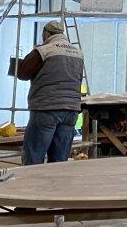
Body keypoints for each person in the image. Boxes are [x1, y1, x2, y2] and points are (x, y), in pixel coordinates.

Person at [16, 20, 85, 164]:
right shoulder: (78, 53)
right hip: (71, 110)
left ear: (46, 34)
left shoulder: (44, 50)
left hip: (47, 108)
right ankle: (55, 186)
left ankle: (30, 186)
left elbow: (23, 72)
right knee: (59, 160)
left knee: (34, 157)